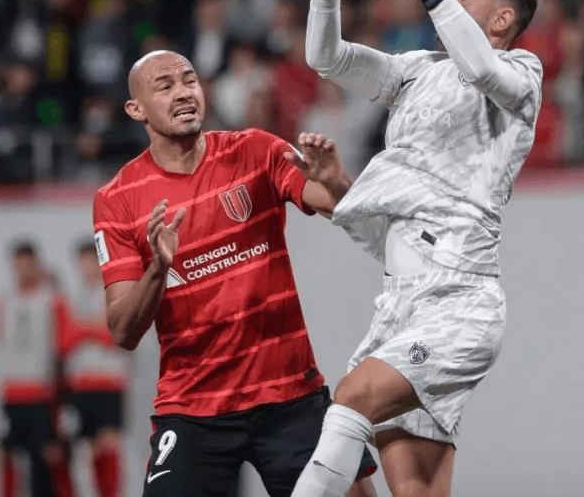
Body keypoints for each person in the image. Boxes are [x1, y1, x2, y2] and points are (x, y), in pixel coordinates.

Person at [293, 0, 543, 497]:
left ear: (502, 17)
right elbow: (325, 58)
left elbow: (482, 70)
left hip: (459, 302)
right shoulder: (416, 71)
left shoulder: (521, 74)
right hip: (399, 303)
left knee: (349, 400)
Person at [93, 50, 377, 497]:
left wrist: (337, 181)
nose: (183, 92)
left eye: (189, 80)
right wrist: (158, 270)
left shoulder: (255, 150)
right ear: (136, 109)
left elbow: (347, 209)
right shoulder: (117, 199)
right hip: (193, 410)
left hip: (290, 397)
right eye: (165, 86)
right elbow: (123, 332)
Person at [0, 241, 75, 497]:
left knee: (46, 457)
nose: (24, 269)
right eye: (19, 264)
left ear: (37, 265)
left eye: (29, 264)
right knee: (7, 454)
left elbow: (64, 342)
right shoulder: (3, 300)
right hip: (11, 390)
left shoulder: (51, 299)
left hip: (41, 391)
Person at [63, 239, 131, 497]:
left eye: (92, 261)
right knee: (85, 450)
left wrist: (83, 329)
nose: (87, 267)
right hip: (80, 382)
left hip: (110, 380)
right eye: (82, 262)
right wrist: (96, 327)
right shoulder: (71, 298)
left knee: (110, 445)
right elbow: (64, 339)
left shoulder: (116, 293)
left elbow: (116, 336)